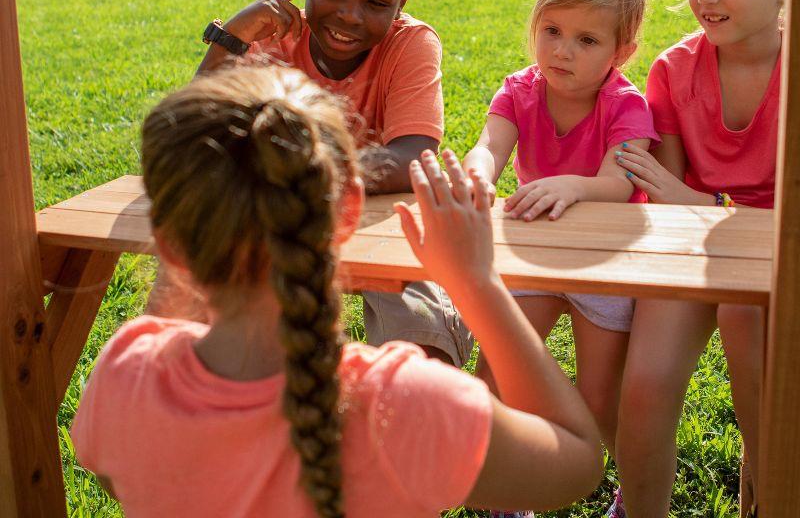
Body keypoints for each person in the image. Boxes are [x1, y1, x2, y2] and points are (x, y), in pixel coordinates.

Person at [71, 64, 603, 517]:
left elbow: (117, 478)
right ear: (348, 209)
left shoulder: (124, 373)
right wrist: (475, 282)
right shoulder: (408, 403)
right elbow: (578, 463)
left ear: (169, 246)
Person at [187, 0, 471, 367]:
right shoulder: (271, 33)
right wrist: (232, 37)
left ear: (402, 4)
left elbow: (415, 159)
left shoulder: (411, 43)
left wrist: (294, 169)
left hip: (383, 221)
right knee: (221, 347)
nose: (350, 15)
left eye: (378, 2)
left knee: (422, 350)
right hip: (283, 221)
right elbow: (196, 140)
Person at [612, 0, 788, 518]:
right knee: (646, 387)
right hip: (692, 247)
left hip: (776, 256)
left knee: (762, 383)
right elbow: (669, 202)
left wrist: (702, 202)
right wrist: (700, 204)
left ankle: (766, 495)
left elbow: (696, 197)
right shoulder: (672, 71)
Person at [462, 0, 659, 497]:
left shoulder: (625, 104)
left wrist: (572, 185)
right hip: (535, 252)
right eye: (551, 30)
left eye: (586, 40)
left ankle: (627, 489)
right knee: (497, 377)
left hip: (607, 260)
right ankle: (508, 491)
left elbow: (618, 184)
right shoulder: (520, 91)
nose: (561, 50)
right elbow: (489, 148)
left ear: (622, 53)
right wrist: (476, 174)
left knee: (600, 400)